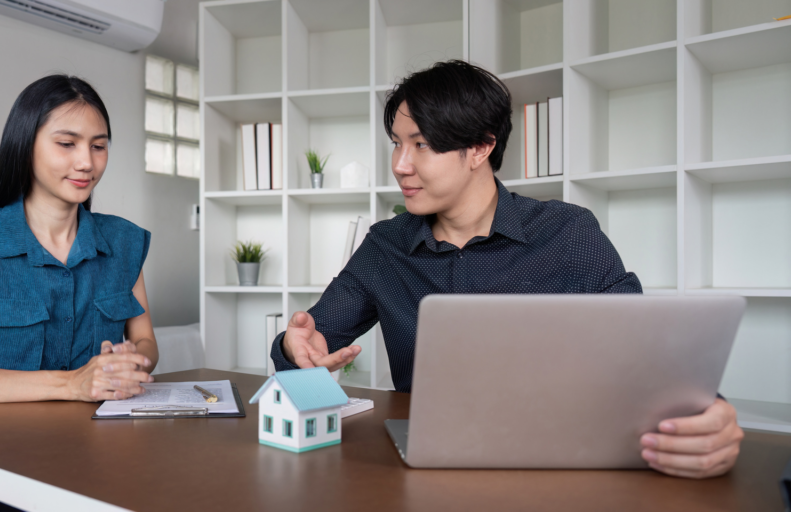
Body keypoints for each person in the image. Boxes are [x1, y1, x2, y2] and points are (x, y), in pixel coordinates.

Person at [271, 60, 743, 479]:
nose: (400, 164)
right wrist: (297, 347)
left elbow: (649, 354)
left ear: (479, 148)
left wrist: (707, 417)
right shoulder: (385, 245)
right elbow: (312, 338)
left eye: (421, 144)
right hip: (428, 466)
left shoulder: (568, 232)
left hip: (561, 462)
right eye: (396, 143)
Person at [0, 75, 157, 511]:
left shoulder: (124, 242)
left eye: (99, 146)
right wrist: (72, 384)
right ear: (26, 145)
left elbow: (147, 341)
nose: (87, 163)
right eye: (67, 143)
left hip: (93, 468)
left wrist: (131, 363)